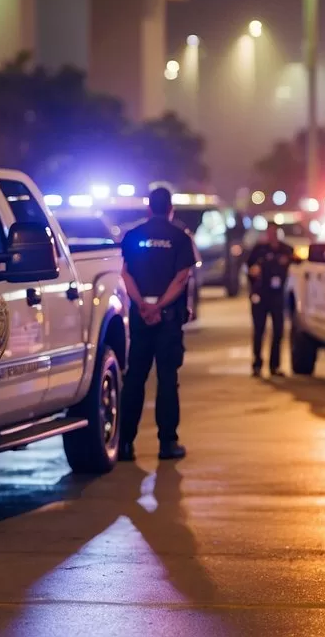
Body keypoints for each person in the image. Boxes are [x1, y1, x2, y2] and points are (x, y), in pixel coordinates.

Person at [118, 186, 198, 462]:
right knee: (166, 380)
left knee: (134, 380)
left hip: (141, 319)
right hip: (167, 320)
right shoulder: (179, 238)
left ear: (149, 208)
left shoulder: (133, 236)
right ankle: (167, 444)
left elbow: (126, 275)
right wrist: (160, 306)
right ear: (170, 208)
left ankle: (125, 444)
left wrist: (142, 304)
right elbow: (181, 278)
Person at [245, 223, 294, 377]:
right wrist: (253, 273)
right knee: (259, 330)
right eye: (269, 232)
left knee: (278, 330)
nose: (272, 235)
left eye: (274, 232)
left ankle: (274, 365)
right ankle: (257, 364)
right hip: (261, 294)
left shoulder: (285, 249)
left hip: (277, 295)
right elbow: (249, 267)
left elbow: (296, 261)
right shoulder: (259, 250)